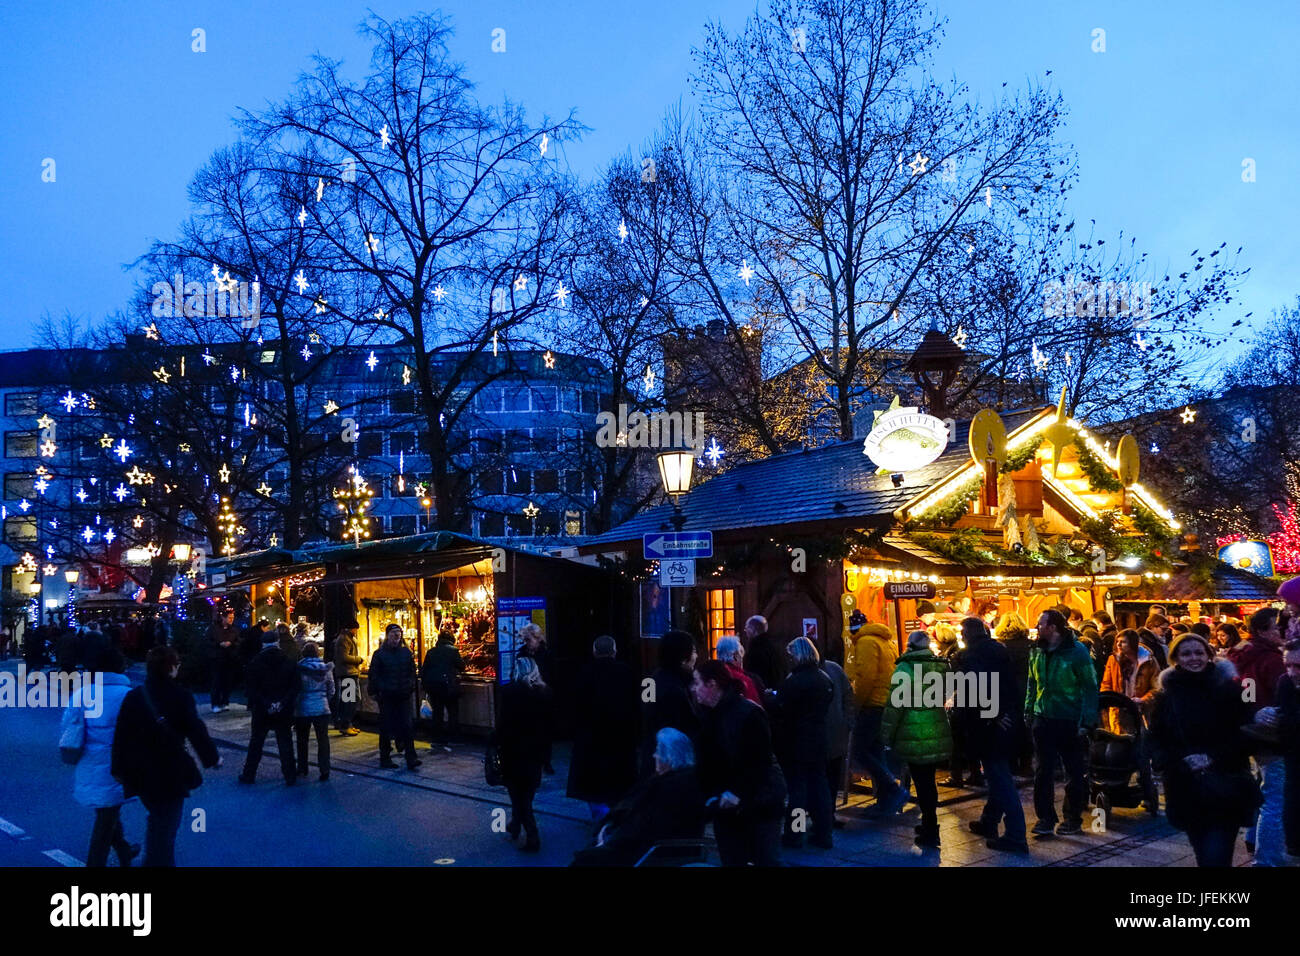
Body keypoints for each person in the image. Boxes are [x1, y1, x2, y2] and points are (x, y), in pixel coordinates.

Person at [1147, 630, 1259, 866]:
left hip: (1225, 784)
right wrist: (1177, 761)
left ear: (1209, 655)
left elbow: (1246, 734)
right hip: (1186, 787)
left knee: (1216, 858)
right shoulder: (1166, 696)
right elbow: (1156, 738)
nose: (1194, 658)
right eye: (1186, 654)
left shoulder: (1230, 690)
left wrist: (1212, 757)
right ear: (1176, 658)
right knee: (1203, 853)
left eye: (1199, 652)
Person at [111, 646, 221, 866]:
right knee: (165, 824)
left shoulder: (134, 696)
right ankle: (156, 863)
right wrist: (212, 758)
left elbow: (122, 734)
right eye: (177, 664)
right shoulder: (180, 696)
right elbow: (195, 730)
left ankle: (156, 861)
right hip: (169, 768)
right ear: (170, 667)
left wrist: (119, 768)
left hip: (140, 770)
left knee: (159, 819)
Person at [693, 659, 787, 866]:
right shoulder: (707, 714)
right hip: (726, 803)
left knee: (766, 857)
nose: (694, 689)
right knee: (733, 857)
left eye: (697, 683)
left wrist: (737, 792)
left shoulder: (747, 713)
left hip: (760, 800)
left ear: (712, 685)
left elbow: (759, 761)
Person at [570, 728, 706, 866]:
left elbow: (644, 825)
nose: (654, 756)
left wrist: (610, 839)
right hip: (640, 842)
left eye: (658, 751)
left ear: (669, 757)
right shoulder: (669, 780)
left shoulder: (672, 786)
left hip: (651, 850)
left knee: (585, 860)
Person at [60, 644, 138, 867]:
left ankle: (124, 850)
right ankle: (97, 862)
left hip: (89, 761)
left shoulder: (83, 694)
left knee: (107, 810)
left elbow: (68, 727)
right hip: (119, 764)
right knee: (106, 816)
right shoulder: (128, 695)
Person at [1025, 608, 1098, 837]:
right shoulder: (1037, 650)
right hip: (1043, 717)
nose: (1037, 628)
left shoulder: (1076, 651)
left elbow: (1089, 686)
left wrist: (1086, 719)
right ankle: (1045, 818)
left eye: (1040, 624)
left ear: (1053, 627)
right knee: (1042, 771)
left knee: (1073, 771)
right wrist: (1029, 709)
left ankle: (1072, 817)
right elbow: (1032, 681)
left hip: (1069, 719)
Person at [958, 617, 1028, 854]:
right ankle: (989, 821)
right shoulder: (999, 648)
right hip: (1008, 719)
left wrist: (994, 713)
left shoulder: (971, 655)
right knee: (999, 774)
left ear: (966, 634)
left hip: (989, 724)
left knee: (1000, 778)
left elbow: (978, 687)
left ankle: (1016, 835)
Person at [882, 630, 954, 849]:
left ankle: (931, 830)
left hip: (912, 733)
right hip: (936, 727)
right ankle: (929, 824)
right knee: (928, 782)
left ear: (909, 646)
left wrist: (886, 736)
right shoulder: (941, 666)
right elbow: (949, 693)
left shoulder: (904, 669)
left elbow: (895, 707)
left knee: (922, 784)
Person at [1229, 607, 1287, 866]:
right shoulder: (1271, 659)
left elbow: (1243, 691)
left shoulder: (1241, 651)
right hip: (1272, 736)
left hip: (1249, 732)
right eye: (1278, 628)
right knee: (1275, 798)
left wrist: (1249, 710)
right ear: (1263, 630)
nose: (1283, 632)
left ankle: (1253, 839)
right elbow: (1281, 696)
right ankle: (1267, 858)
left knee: (1262, 791)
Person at [567, 635, 640, 820]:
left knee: (593, 784)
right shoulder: (627, 672)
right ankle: (615, 813)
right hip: (620, 736)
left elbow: (575, 705)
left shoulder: (584, 672)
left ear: (594, 652)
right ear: (615, 651)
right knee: (619, 781)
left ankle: (601, 817)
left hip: (591, 738)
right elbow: (638, 702)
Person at [773, 637, 834, 850]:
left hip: (797, 740)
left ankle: (796, 834)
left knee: (797, 791)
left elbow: (782, 707)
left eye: (790, 655)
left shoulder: (794, 681)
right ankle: (824, 833)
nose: (788, 659)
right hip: (819, 739)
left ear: (797, 655)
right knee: (820, 788)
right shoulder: (824, 679)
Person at [847, 620, 907, 814]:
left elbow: (866, 677)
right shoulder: (886, 641)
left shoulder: (866, 642)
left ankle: (893, 788)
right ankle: (885, 801)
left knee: (859, 751)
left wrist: (856, 704)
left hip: (872, 704)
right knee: (876, 750)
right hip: (886, 702)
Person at [498, 657, 553, 852]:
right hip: (535, 752)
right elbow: (549, 726)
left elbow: (502, 726)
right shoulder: (543, 694)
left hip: (513, 751)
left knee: (518, 795)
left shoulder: (509, 693)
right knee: (526, 793)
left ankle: (532, 835)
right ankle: (515, 824)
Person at [239, 625, 300, 785]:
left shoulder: (255, 663)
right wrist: (282, 702)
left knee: (256, 742)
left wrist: (267, 703)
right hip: (283, 709)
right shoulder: (288, 661)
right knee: (285, 742)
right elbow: (295, 686)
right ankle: (290, 776)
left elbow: (252, 689)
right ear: (277, 642)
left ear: (262, 644)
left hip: (262, 709)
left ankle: (249, 774)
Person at [641, 629, 699, 775]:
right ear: (682, 657)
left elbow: (644, 711)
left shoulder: (650, 679)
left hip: (650, 750)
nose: (696, 656)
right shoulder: (677, 689)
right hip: (671, 759)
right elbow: (689, 726)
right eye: (693, 651)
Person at [369, 623, 421, 770]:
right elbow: (374, 675)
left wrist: (410, 686)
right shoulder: (379, 654)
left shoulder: (405, 653)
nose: (396, 636)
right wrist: (377, 691)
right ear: (388, 635)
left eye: (398, 633)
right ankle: (385, 757)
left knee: (407, 726)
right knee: (386, 728)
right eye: (393, 633)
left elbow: (412, 671)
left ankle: (411, 757)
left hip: (403, 694)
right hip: (387, 696)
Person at [821, 638, 855, 820]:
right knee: (831, 777)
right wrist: (847, 722)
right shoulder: (835, 669)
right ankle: (828, 815)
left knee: (817, 780)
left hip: (819, 737)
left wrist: (848, 721)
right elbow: (849, 695)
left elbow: (848, 696)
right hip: (836, 734)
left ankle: (803, 827)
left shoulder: (798, 676)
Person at [1099, 629, 1158, 734]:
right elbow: (1106, 684)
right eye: (1117, 641)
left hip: (1141, 711)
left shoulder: (1148, 661)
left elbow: (1157, 687)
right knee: (1116, 746)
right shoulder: (1113, 660)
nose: (1119, 645)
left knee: (1140, 743)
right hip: (1118, 711)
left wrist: (1143, 700)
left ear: (1132, 643)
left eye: (1123, 642)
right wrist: (1111, 701)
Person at [1273, 640, 1300, 858]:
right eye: (1288, 665)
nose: (1292, 672)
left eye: (1297, 666)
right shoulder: (1285, 682)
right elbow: (1247, 689)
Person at [517, 622, 555, 774]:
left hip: (542, 697)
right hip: (526, 697)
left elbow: (553, 676)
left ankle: (546, 761)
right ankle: (532, 760)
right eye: (525, 640)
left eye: (529, 640)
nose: (527, 643)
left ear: (538, 639)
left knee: (544, 732)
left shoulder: (547, 655)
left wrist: (543, 684)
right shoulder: (521, 654)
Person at [293, 644, 334, 782]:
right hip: (322, 708)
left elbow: (296, 689)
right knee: (323, 740)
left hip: (303, 707)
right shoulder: (325, 668)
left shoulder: (299, 668)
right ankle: (325, 770)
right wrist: (325, 700)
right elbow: (331, 689)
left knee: (302, 740)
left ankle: (302, 767)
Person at [421, 626, 466, 751]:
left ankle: (437, 739)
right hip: (448, 686)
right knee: (452, 712)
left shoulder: (431, 652)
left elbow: (424, 670)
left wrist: (425, 686)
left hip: (434, 687)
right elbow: (462, 666)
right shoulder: (453, 650)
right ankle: (453, 738)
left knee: (437, 714)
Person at [333, 619, 363, 736]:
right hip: (348, 673)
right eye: (355, 629)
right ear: (351, 628)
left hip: (350, 672)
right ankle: (345, 725)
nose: (356, 631)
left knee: (351, 700)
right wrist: (358, 659)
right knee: (349, 700)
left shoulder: (346, 638)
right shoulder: (344, 639)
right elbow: (343, 657)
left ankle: (348, 724)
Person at [743, 614, 786, 691]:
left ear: (753, 629)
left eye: (747, 628)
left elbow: (751, 673)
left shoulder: (754, 649)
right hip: (776, 689)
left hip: (761, 691)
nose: (745, 631)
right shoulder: (775, 645)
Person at [715, 635, 760, 703]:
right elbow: (755, 709)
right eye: (741, 652)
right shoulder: (744, 680)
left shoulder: (713, 676)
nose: (742, 657)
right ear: (735, 656)